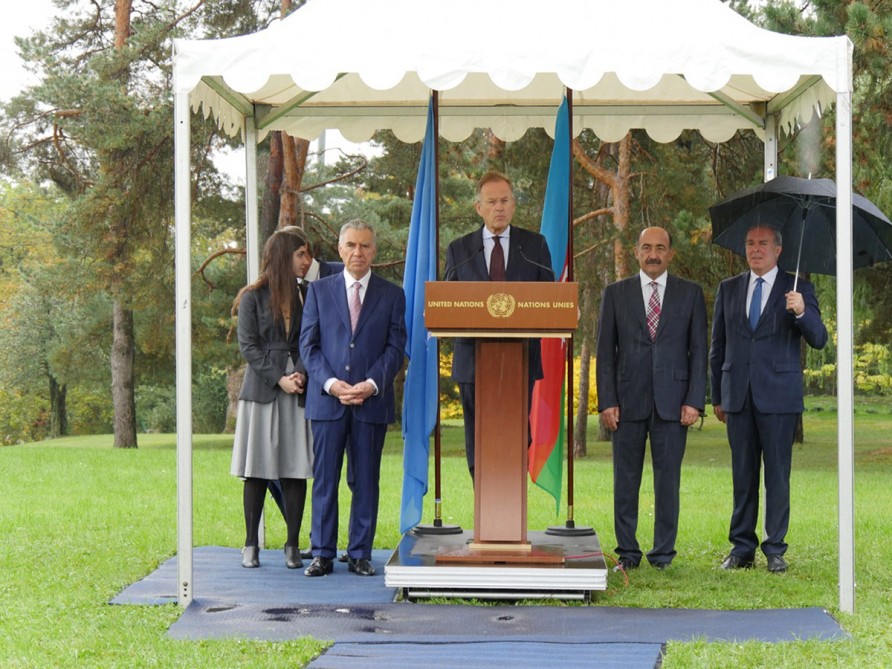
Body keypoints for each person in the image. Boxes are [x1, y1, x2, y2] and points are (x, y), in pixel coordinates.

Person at [710, 224, 828, 573]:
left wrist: (802, 311)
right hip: (738, 398)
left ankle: (775, 549)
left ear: (778, 250)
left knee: (777, 476)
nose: (755, 249)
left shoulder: (799, 289)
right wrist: (718, 394)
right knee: (742, 477)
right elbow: (718, 347)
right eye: (750, 244)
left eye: (763, 244)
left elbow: (820, 339)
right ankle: (742, 549)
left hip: (779, 399)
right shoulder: (729, 289)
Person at [299, 219, 407, 577]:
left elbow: (396, 347)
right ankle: (323, 554)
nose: (357, 252)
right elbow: (308, 346)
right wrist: (331, 383)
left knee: (365, 480)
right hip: (328, 403)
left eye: (365, 246)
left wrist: (372, 383)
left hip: (370, 403)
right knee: (326, 480)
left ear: (374, 250)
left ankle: (360, 553)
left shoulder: (392, 294)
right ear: (339, 248)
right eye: (351, 245)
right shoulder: (319, 291)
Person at [596, 227, 707, 571]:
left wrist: (694, 401)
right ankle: (627, 553)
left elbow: (700, 351)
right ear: (636, 252)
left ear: (671, 253)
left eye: (660, 247)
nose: (653, 254)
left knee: (667, 482)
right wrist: (607, 401)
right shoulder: (616, 294)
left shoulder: (690, 294)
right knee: (625, 481)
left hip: (674, 404)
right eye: (647, 248)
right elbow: (605, 353)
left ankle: (662, 555)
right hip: (626, 403)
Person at [443, 170, 553, 479]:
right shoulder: (460, 250)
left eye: (505, 200)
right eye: (491, 201)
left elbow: (550, 299)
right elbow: (448, 306)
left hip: (519, 360)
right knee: (479, 440)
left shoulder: (534, 246)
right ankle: (486, 515)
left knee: (518, 437)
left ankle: (511, 516)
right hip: (473, 362)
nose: (499, 207)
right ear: (479, 207)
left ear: (514, 204)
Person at [230, 226, 314, 570]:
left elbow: (313, 339)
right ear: (283, 257)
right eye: (300, 254)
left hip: (299, 389)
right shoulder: (251, 297)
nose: (307, 261)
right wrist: (279, 378)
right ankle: (251, 543)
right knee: (258, 470)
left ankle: (292, 545)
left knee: (296, 468)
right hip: (263, 390)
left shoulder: (310, 294)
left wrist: (302, 375)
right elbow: (248, 347)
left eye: (307, 254)